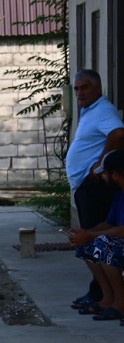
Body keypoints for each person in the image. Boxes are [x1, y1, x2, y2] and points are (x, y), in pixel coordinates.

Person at [65, 69, 124, 312]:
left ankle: (108, 298)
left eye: (85, 87)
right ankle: (100, 294)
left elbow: (119, 133)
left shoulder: (103, 110)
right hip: (84, 186)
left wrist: (100, 164)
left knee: (94, 240)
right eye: (77, 88)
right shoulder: (90, 112)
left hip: (95, 187)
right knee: (86, 240)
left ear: (98, 89)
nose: (79, 92)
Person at [68, 148, 124, 322]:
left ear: (115, 175)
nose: (102, 178)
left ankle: (120, 302)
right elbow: (110, 223)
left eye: (105, 174)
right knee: (87, 246)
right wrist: (86, 234)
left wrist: (92, 235)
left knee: (104, 245)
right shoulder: (119, 196)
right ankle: (108, 298)